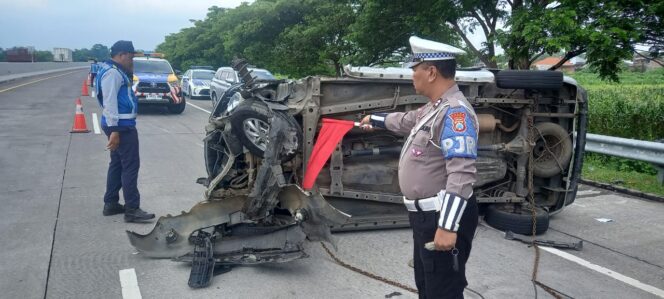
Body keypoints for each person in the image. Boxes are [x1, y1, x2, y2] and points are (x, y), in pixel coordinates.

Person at [360, 36, 479, 298]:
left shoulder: (455, 113)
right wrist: (376, 119)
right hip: (425, 217)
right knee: (426, 285)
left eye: (415, 70)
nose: (412, 76)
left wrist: (448, 227)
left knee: (443, 290)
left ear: (432, 72)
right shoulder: (433, 108)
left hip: (442, 216)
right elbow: (406, 120)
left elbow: (462, 172)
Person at [95, 40, 155, 223]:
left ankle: (111, 203)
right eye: (130, 57)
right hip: (121, 126)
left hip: (119, 124)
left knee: (117, 164)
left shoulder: (114, 70)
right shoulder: (113, 73)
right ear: (121, 55)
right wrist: (114, 130)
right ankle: (132, 209)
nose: (132, 61)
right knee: (130, 166)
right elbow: (110, 102)